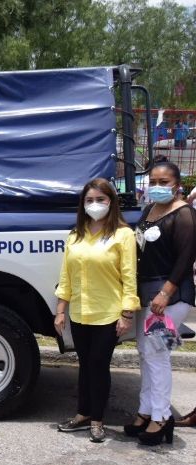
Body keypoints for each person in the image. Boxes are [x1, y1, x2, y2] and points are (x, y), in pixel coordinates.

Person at [55, 178, 139, 443]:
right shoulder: (75, 235)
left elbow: (129, 276)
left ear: (111, 202)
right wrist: (61, 310)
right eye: (89, 200)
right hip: (79, 313)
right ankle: (82, 414)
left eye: (100, 200)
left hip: (108, 315)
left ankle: (98, 420)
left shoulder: (122, 234)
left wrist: (127, 314)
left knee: (98, 366)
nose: (95, 205)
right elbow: (66, 276)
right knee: (84, 366)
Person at [124, 161, 196, 445]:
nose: (157, 186)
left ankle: (161, 416)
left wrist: (166, 293)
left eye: (164, 182)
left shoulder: (185, 215)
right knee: (145, 352)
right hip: (148, 296)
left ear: (177, 185)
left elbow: (186, 258)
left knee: (158, 355)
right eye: (153, 181)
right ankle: (146, 410)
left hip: (170, 298)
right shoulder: (150, 210)